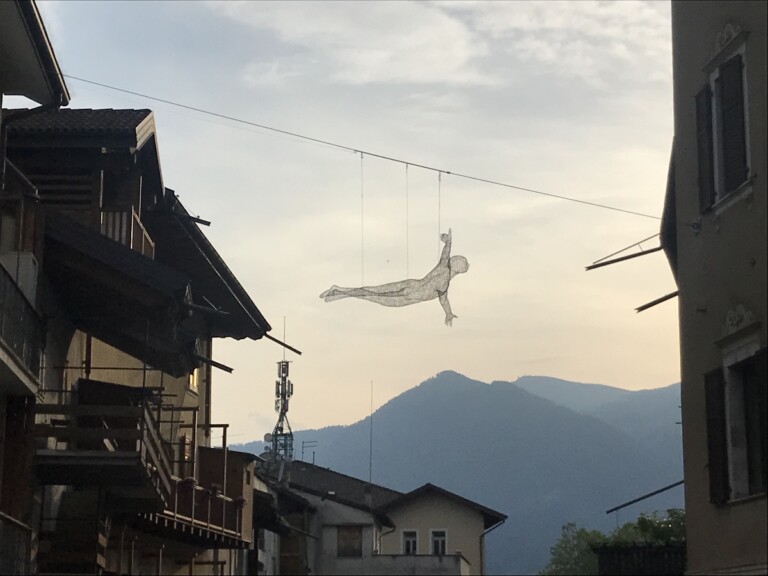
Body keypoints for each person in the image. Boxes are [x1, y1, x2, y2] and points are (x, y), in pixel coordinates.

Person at [320, 228, 468, 326]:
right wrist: (449, 242)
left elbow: (444, 301)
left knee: (372, 293)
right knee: (371, 294)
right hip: (409, 293)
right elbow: (445, 255)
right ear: (458, 268)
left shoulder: (444, 282)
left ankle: (339, 291)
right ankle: (340, 292)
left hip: (410, 290)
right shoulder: (444, 273)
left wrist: (448, 313)